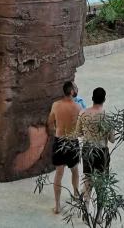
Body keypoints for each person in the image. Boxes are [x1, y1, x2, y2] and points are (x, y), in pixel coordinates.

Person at [47, 80, 82, 215]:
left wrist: (55, 131)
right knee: (75, 170)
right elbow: (81, 127)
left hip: (59, 141)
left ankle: (57, 206)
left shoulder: (56, 105)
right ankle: (76, 196)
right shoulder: (78, 107)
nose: (77, 89)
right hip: (72, 142)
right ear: (72, 92)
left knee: (59, 173)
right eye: (76, 88)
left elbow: (50, 122)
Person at [80, 87, 114, 182]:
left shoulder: (83, 112)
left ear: (92, 98)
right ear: (104, 100)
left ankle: (85, 193)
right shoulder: (107, 116)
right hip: (101, 150)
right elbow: (112, 139)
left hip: (87, 149)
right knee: (101, 180)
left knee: (88, 179)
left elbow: (78, 132)